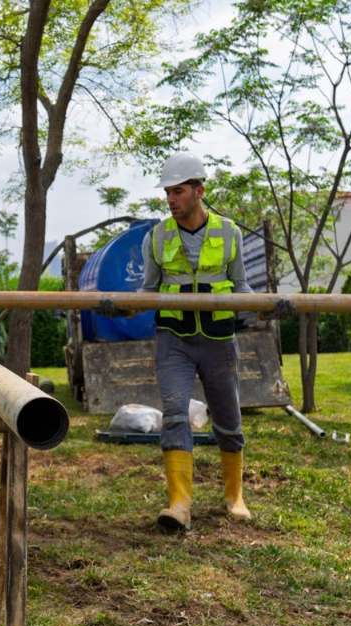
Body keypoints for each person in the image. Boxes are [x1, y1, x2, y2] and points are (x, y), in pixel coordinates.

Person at [140, 151, 252, 530]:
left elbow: (240, 285)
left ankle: (234, 496)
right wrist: (117, 307)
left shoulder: (228, 231)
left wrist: (262, 307)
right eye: (168, 192)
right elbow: (148, 290)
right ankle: (179, 504)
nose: (171, 199)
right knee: (174, 414)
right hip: (175, 339)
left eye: (178, 191)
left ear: (199, 191)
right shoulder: (156, 236)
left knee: (228, 420)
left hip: (219, 338)